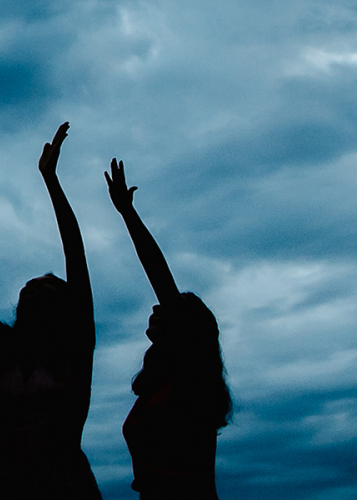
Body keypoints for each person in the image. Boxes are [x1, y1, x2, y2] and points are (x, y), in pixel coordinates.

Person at [0, 122, 101, 499]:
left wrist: (51, 180)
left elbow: (76, 254)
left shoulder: (74, 350)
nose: (31, 284)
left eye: (45, 284)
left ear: (63, 307)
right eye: (31, 282)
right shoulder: (4, 350)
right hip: (9, 486)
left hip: (67, 487)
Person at [104, 159, 232, 499]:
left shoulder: (193, 381)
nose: (157, 306)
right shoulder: (164, 386)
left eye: (172, 309)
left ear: (187, 332)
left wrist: (128, 214)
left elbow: (160, 276)